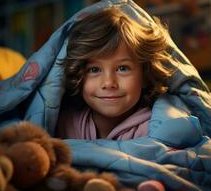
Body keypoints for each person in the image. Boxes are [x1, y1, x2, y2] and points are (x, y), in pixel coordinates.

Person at [56, 7, 173, 140]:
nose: (109, 83)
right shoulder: (62, 125)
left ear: (145, 76)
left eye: (122, 68)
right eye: (94, 70)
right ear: (78, 75)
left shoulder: (157, 130)